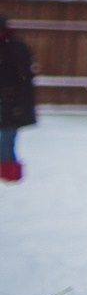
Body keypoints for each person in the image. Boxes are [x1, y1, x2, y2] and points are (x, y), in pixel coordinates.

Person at [0, 15, 34, 182]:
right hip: (9, 100)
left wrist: (20, 102)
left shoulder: (16, 48)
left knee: (6, 138)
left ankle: (8, 173)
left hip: (10, 101)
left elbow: (24, 78)